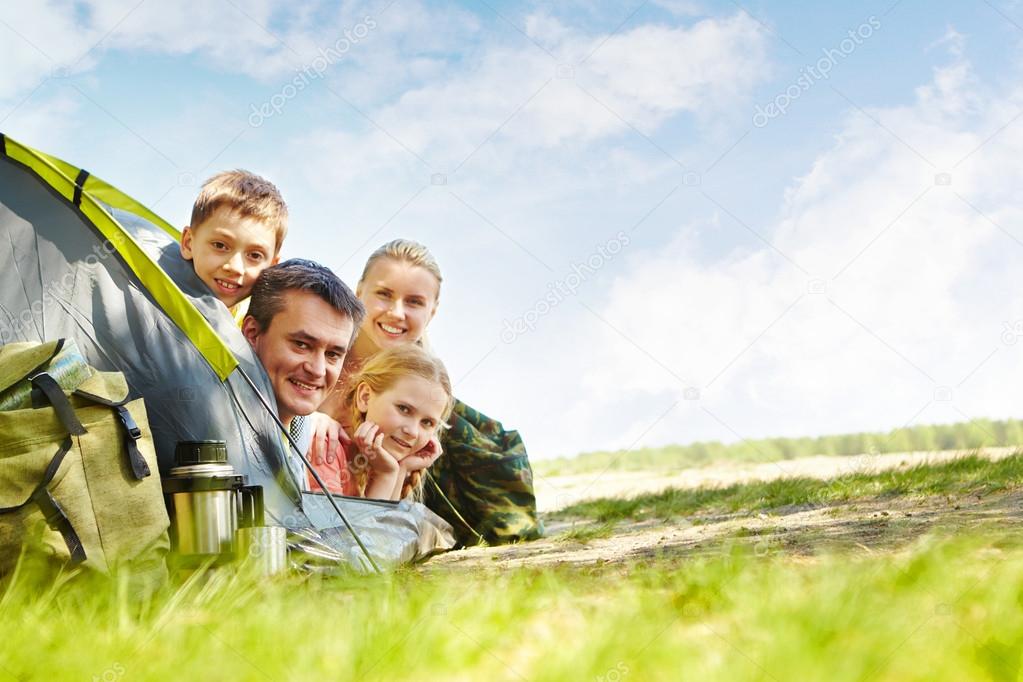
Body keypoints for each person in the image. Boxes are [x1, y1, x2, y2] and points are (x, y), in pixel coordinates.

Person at [311, 239, 541, 544]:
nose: (396, 312)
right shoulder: (319, 356)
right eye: (383, 294)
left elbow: (377, 528)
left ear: (432, 312)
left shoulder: (429, 401)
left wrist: (403, 464)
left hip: (369, 515)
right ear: (358, 293)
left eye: (414, 302)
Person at [241, 259, 364, 487]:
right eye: (301, 344)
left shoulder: (308, 435)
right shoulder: (220, 422)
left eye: (333, 355)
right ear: (252, 333)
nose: (317, 370)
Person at [308, 345, 453, 501]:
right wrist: (385, 476)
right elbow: (342, 526)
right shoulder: (327, 449)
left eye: (427, 422)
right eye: (404, 409)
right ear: (365, 397)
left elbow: (387, 523)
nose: (413, 432)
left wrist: (402, 470)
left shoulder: (384, 462)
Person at [180, 170, 287, 317]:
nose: (235, 267)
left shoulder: (254, 333)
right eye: (220, 245)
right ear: (188, 243)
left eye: (255, 255)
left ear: (271, 268)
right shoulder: (147, 295)